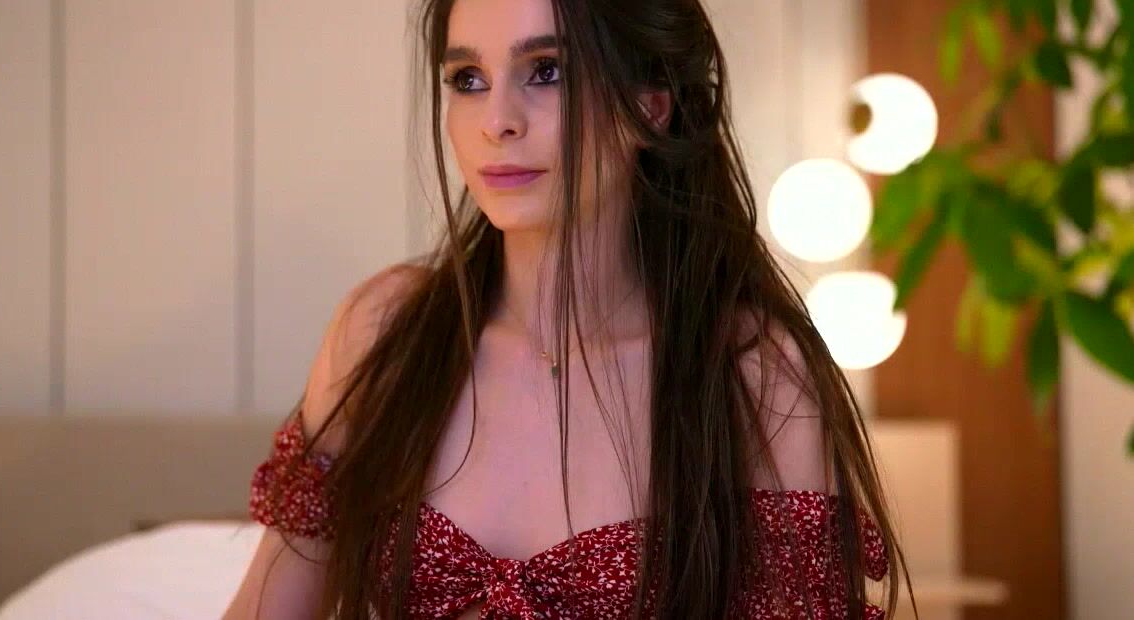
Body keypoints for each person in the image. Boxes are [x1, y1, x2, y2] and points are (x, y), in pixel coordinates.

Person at [224, 0, 916, 618]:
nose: (498, 121)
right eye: (468, 79)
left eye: (547, 71)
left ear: (650, 106)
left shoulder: (755, 373)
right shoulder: (385, 332)